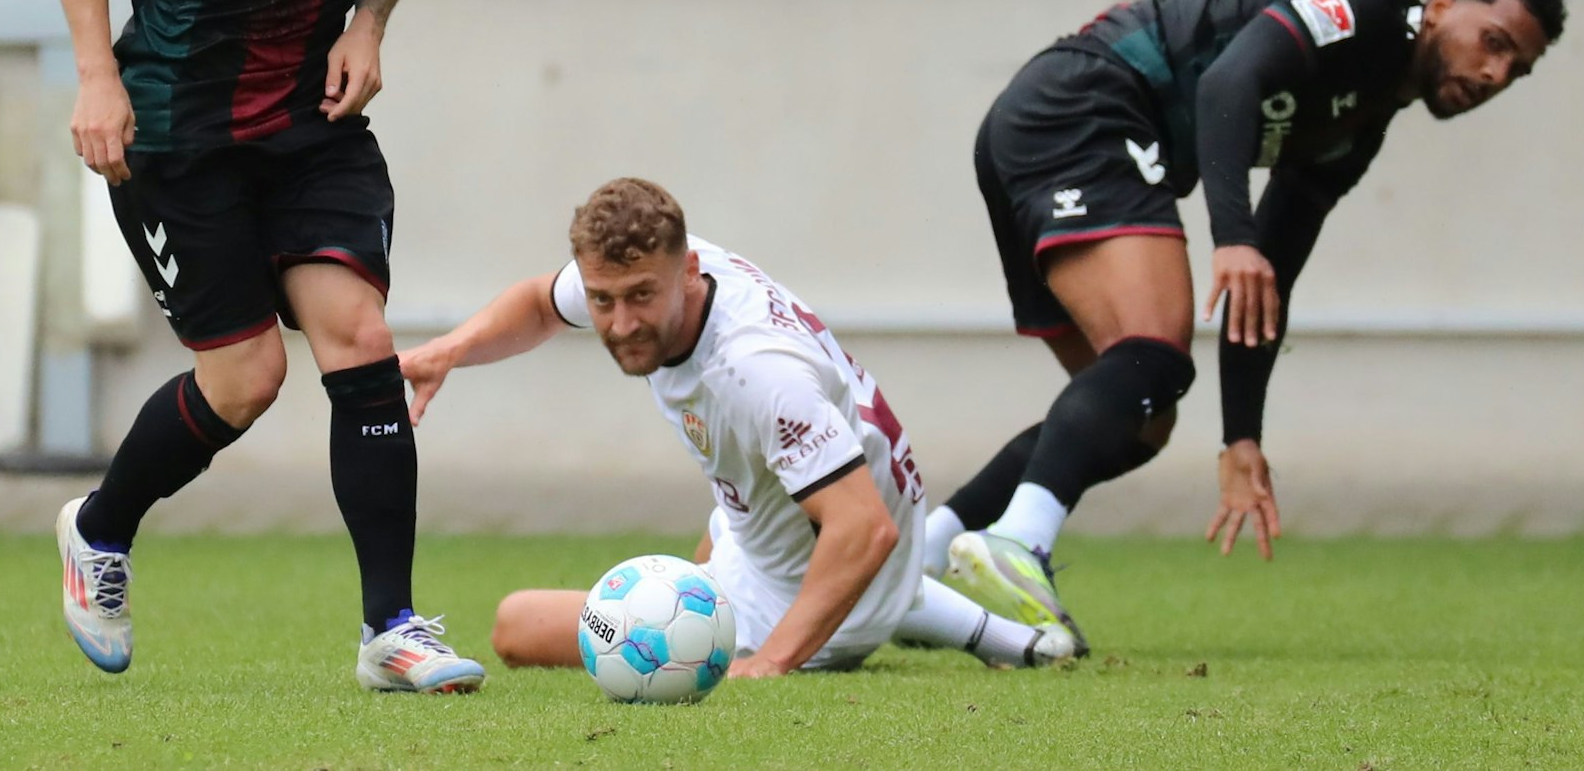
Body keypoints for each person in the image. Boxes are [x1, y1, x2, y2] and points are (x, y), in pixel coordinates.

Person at [49, 0, 483, 694]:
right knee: (243, 382)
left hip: (312, 120)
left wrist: (372, 21)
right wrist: (97, 78)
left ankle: (391, 629)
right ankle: (100, 528)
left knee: (359, 337)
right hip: (177, 128)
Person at [922, 0, 1567, 649]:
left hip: (1047, 123)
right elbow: (1230, 79)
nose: (1495, 73)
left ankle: (922, 557)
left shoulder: (1359, 127)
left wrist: (1241, 437)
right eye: (1494, 43)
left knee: (1140, 413)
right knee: (1153, 354)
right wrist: (1231, 234)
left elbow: (1270, 280)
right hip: (1089, 104)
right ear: (1440, 6)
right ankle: (1017, 543)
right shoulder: (1362, 12)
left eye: (1517, 69)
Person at [397, 178, 1080, 677]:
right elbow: (539, 305)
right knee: (719, 532)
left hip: (810, 585)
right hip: (788, 526)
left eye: (640, 297)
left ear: (687, 272)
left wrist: (774, 661)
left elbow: (865, 529)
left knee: (517, 624)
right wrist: (447, 350)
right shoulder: (660, 268)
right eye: (602, 300)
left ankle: (850, 622)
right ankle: (1009, 639)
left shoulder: (754, 371)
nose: (621, 322)